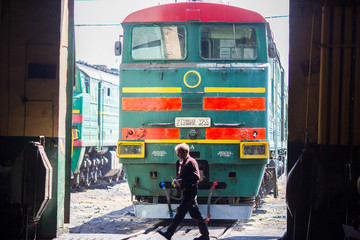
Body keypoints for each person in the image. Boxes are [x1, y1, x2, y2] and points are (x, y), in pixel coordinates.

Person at [157, 143, 209, 240]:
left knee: (180, 213)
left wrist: (181, 181)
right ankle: (205, 235)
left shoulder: (190, 162)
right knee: (195, 214)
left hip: (190, 191)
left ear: (185, 152)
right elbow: (182, 176)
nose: (178, 155)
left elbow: (196, 177)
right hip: (187, 191)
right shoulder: (183, 162)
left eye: (179, 153)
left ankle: (169, 233)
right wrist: (177, 180)